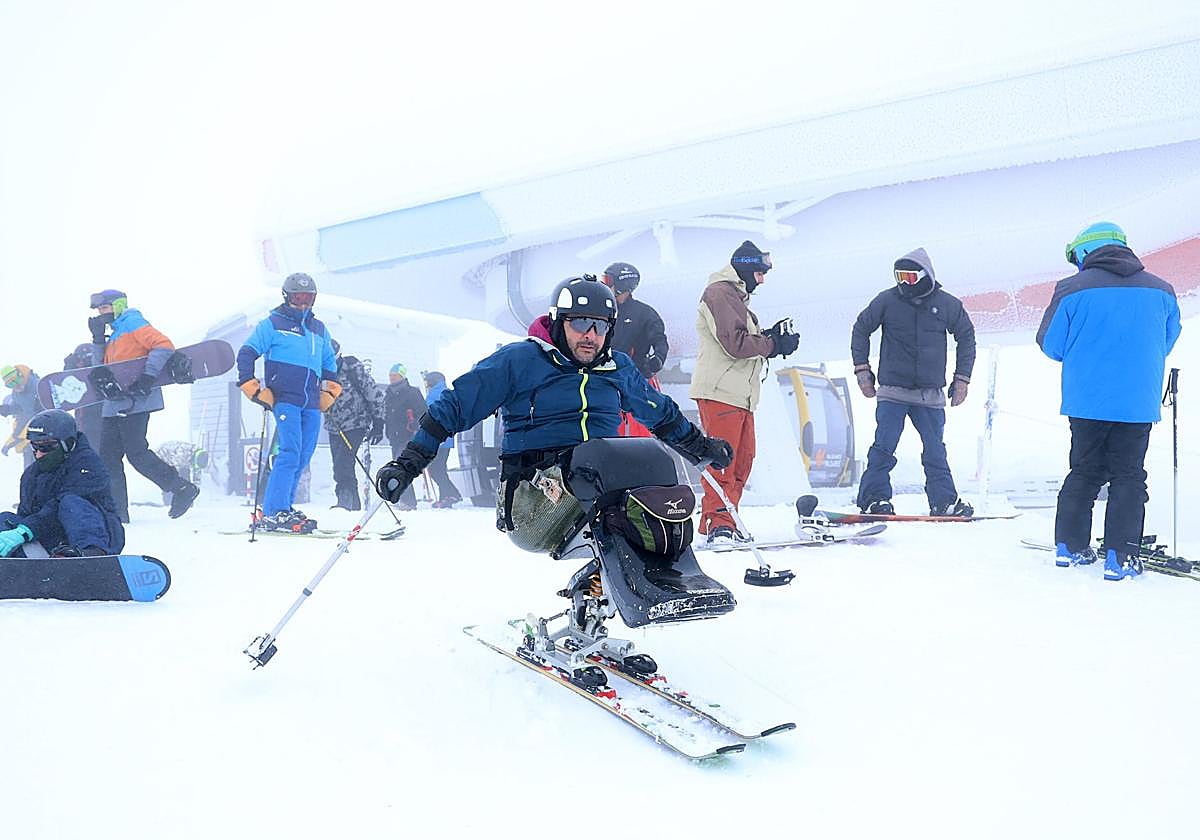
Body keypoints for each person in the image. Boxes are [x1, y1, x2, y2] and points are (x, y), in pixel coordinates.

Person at [375, 274, 732, 545]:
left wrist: (703, 448)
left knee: (655, 460)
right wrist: (408, 463)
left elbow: (661, 414)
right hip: (533, 500)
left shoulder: (616, 368)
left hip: (600, 488)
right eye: (580, 323)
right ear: (558, 321)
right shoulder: (520, 360)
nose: (590, 335)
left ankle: (668, 577)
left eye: (601, 326)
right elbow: (453, 407)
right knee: (601, 458)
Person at [1037, 222, 1181, 581]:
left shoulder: (1071, 289)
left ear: (1086, 252)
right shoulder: (1162, 290)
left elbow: (1050, 344)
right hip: (1136, 403)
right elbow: (1167, 339)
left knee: (1084, 472)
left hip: (1086, 401)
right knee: (1129, 476)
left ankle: (1068, 547)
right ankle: (1121, 557)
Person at [850, 248, 976, 517]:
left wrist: (962, 378)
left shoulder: (947, 304)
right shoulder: (886, 301)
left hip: (930, 396)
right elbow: (861, 328)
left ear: (925, 274)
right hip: (892, 393)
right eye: (900, 277)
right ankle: (874, 499)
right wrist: (862, 370)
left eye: (910, 277)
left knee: (935, 451)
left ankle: (943, 501)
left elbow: (966, 337)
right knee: (883, 447)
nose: (904, 283)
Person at [689, 240, 799, 544]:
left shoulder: (734, 297)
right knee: (723, 460)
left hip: (739, 394)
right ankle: (719, 525)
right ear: (747, 268)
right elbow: (734, 344)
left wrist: (770, 337)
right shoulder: (720, 293)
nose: (761, 281)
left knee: (742, 460)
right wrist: (773, 345)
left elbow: (741, 338)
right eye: (759, 273)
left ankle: (727, 520)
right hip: (721, 391)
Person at [236, 272, 342, 532]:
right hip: (285, 399)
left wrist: (330, 391)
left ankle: (285, 505)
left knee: (303, 456)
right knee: (290, 453)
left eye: (308, 298)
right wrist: (251, 385)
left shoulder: (319, 329)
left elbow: (329, 364)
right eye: (298, 297)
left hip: (311, 402)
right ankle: (274, 511)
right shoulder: (272, 323)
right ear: (287, 297)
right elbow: (247, 352)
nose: (303, 303)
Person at [88, 289, 200, 523]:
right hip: (114, 404)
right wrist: (98, 340)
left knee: (136, 453)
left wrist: (148, 377)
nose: (101, 314)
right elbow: (99, 368)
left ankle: (181, 488)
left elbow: (164, 345)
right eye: (99, 310)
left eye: (104, 308)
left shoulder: (132, 322)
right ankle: (117, 514)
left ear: (118, 306)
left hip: (136, 403)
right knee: (108, 458)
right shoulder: (115, 333)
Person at [0, 409, 125, 558]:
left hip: (95, 536)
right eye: (35, 447)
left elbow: (58, 505)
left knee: (70, 502)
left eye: (46, 447)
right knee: (5, 519)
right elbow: (26, 514)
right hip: (53, 538)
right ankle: (17, 566)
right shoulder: (31, 475)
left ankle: (91, 554)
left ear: (68, 443)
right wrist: (16, 533)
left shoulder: (88, 466)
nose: (39, 454)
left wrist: (26, 530)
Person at [601, 261, 670, 438]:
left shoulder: (644, 313)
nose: (604, 284)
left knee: (640, 433)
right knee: (608, 431)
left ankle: (644, 460)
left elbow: (659, 339)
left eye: (608, 280)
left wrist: (657, 360)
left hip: (637, 382)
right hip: (605, 381)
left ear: (622, 285)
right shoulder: (601, 310)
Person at [324, 342, 385, 511]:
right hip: (333, 425)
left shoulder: (353, 369)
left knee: (344, 462)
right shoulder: (322, 372)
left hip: (356, 423)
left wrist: (379, 422)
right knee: (339, 465)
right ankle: (352, 503)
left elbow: (374, 393)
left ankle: (346, 501)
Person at [383, 363, 428, 510]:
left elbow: (423, 412)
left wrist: (416, 423)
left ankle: (408, 501)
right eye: (390, 376)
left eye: (395, 376)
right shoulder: (389, 393)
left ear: (402, 376)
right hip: (394, 436)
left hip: (408, 435)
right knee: (398, 466)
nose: (392, 379)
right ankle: (406, 499)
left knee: (400, 466)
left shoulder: (412, 393)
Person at [420, 371, 462, 508]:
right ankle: (447, 496)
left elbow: (430, 414)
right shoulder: (446, 392)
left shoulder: (435, 394)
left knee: (435, 468)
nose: (426, 385)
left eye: (427, 382)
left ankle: (451, 494)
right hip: (446, 437)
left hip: (438, 437)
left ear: (433, 381)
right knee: (439, 468)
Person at [1, 364, 42, 468]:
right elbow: (19, 410)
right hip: (32, 434)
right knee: (29, 456)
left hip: (45, 431)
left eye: (15, 381)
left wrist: (41, 406)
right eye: (10, 385)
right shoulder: (16, 394)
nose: (15, 386)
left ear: (21, 375)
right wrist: (8, 409)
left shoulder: (36, 384)